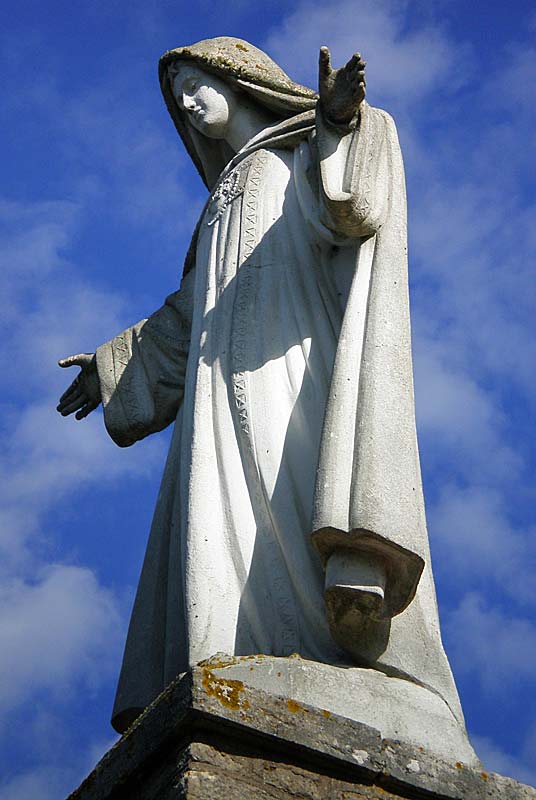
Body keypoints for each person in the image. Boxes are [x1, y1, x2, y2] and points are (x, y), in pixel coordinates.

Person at [57, 38, 466, 740]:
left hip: (291, 364)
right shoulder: (221, 199)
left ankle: (333, 646)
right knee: (224, 512)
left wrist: (336, 123)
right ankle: (243, 647)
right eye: (178, 94)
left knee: (296, 484)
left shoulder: (292, 156)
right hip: (218, 389)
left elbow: (349, 210)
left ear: (239, 78)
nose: (187, 102)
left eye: (196, 83)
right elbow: (187, 317)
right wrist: (114, 363)